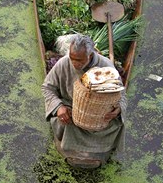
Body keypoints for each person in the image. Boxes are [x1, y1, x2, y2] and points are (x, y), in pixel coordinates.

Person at [41, 34, 127, 168]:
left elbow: (121, 95)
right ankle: (71, 150)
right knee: (65, 122)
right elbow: (47, 87)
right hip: (71, 110)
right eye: (72, 58)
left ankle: (97, 153)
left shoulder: (105, 66)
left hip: (98, 115)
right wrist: (58, 107)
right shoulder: (63, 63)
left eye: (80, 60)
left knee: (114, 125)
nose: (75, 64)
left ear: (90, 56)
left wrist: (118, 109)